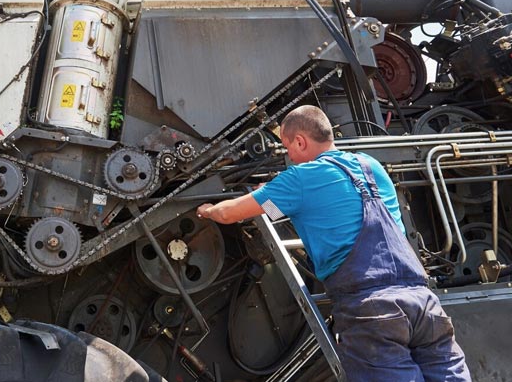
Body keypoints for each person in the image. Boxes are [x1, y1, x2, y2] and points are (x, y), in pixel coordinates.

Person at [197, 105, 470, 381]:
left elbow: (228, 213)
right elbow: (302, 206)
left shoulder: (300, 179)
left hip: (372, 310)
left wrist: (207, 209)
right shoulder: (371, 166)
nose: (287, 155)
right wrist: (272, 197)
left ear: (300, 141)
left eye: (287, 146)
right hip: (423, 304)